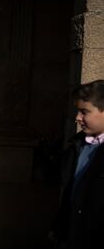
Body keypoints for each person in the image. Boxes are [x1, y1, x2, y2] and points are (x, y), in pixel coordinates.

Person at [50, 80, 104, 248]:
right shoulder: (78, 145)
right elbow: (69, 192)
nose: (77, 118)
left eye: (84, 111)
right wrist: (59, 228)